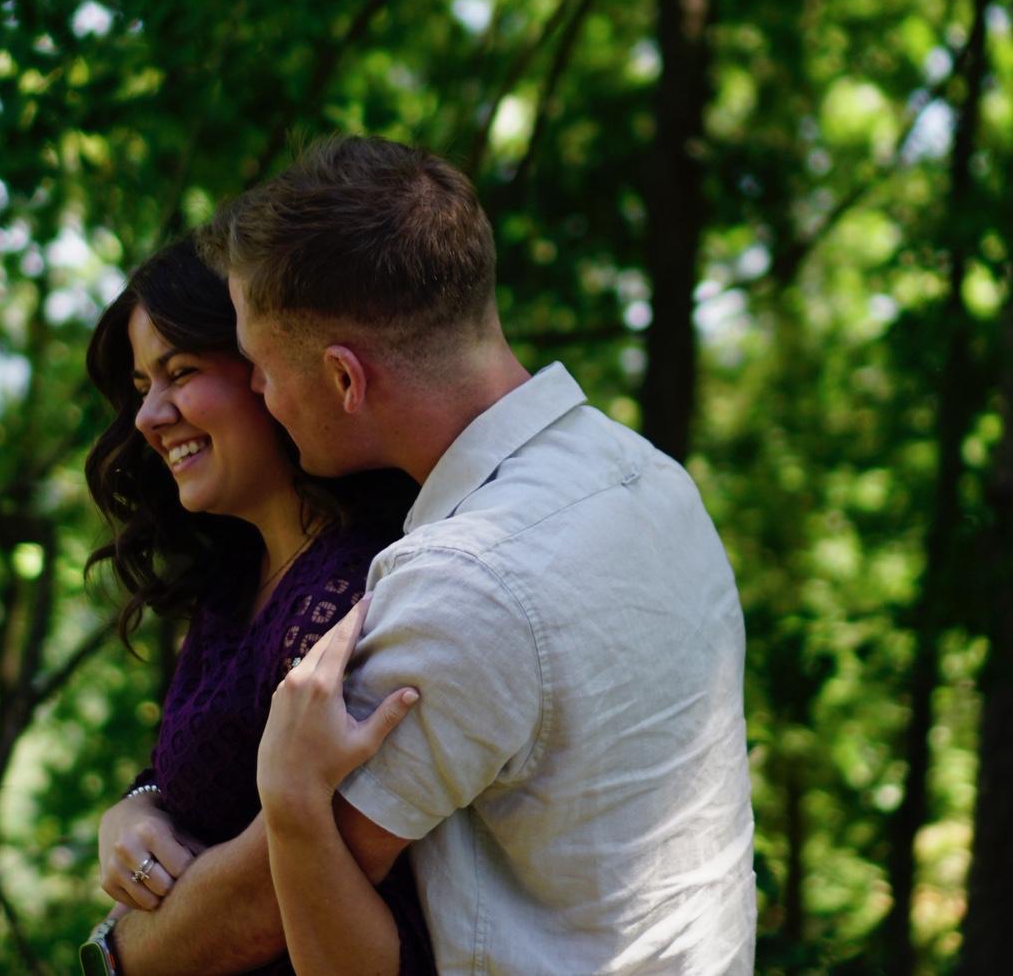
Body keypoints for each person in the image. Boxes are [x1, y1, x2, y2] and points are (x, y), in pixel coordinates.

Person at [199, 135, 757, 974]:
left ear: (345, 380)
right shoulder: (650, 478)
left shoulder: (461, 587)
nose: (256, 391)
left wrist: (290, 797)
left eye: (260, 365)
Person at [81, 236, 432, 975]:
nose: (147, 416)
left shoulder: (352, 592)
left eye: (180, 372)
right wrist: (136, 807)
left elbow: (268, 889)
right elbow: (190, 781)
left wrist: (109, 955)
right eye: (142, 385)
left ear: (267, 368)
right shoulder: (238, 576)